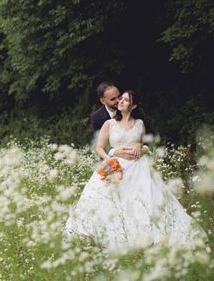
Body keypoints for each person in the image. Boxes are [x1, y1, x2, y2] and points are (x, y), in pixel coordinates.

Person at [66, 91, 205, 250]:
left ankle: (145, 234)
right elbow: (99, 148)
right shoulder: (109, 124)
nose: (121, 101)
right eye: (121, 99)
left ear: (133, 106)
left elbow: (146, 146)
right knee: (104, 198)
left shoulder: (139, 123)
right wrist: (111, 154)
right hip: (115, 165)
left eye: (126, 100)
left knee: (144, 199)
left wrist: (141, 146)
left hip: (138, 167)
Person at [89, 82, 138, 161]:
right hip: (112, 160)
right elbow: (99, 145)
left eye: (119, 96)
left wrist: (139, 145)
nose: (118, 101)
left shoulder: (131, 109)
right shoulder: (96, 118)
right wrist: (114, 153)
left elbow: (148, 136)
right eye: (113, 99)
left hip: (135, 159)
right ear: (103, 101)